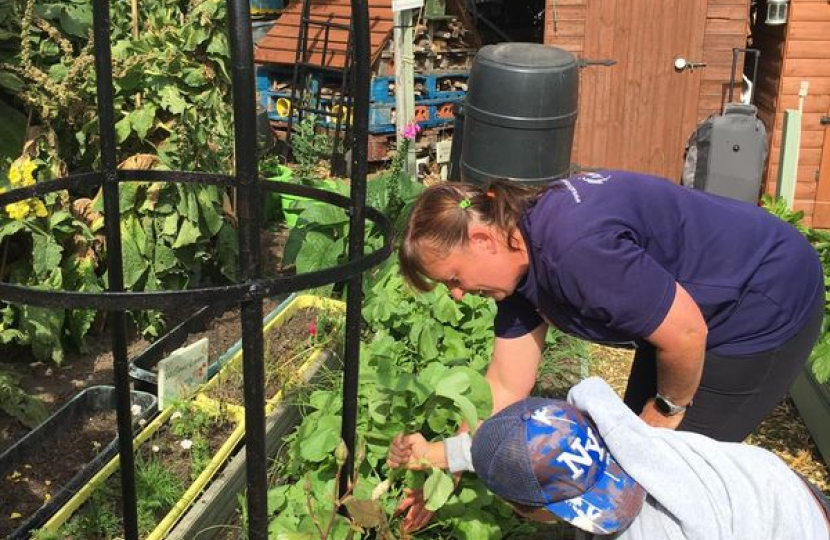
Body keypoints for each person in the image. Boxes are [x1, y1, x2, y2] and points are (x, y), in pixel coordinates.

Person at [398, 170, 824, 442]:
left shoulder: (575, 251)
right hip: (690, 315)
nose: (456, 293)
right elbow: (507, 386)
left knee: (670, 469)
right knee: (634, 448)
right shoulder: (516, 261)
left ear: (482, 240)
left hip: (761, 296)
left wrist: (668, 410)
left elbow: (687, 334)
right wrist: (446, 463)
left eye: (453, 279)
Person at [387, 377, 830, 539]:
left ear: (520, 510)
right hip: (779, 487)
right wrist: (433, 455)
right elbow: (505, 444)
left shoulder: (652, 535)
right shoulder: (613, 431)